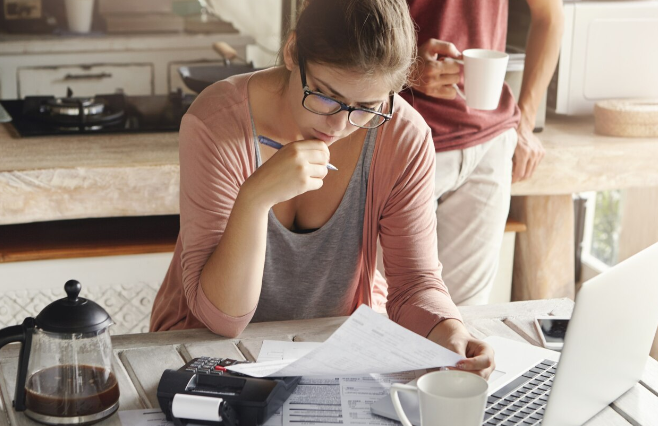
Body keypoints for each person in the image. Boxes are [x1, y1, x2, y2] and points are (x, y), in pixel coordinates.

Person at [150, 0, 494, 378]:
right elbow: (222, 318)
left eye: (366, 107)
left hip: (334, 354)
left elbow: (414, 283)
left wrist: (450, 331)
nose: (339, 125)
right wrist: (255, 198)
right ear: (293, 51)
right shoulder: (215, 122)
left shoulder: (402, 137)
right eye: (326, 96)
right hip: (201, 351)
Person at [402, 0, 564, 306]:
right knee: (388, 310)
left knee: (467, 323)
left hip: (488, 145)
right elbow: (335, 23)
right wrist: (403, 69)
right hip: (401, 140)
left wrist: (525, 122)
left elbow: (550, 16)